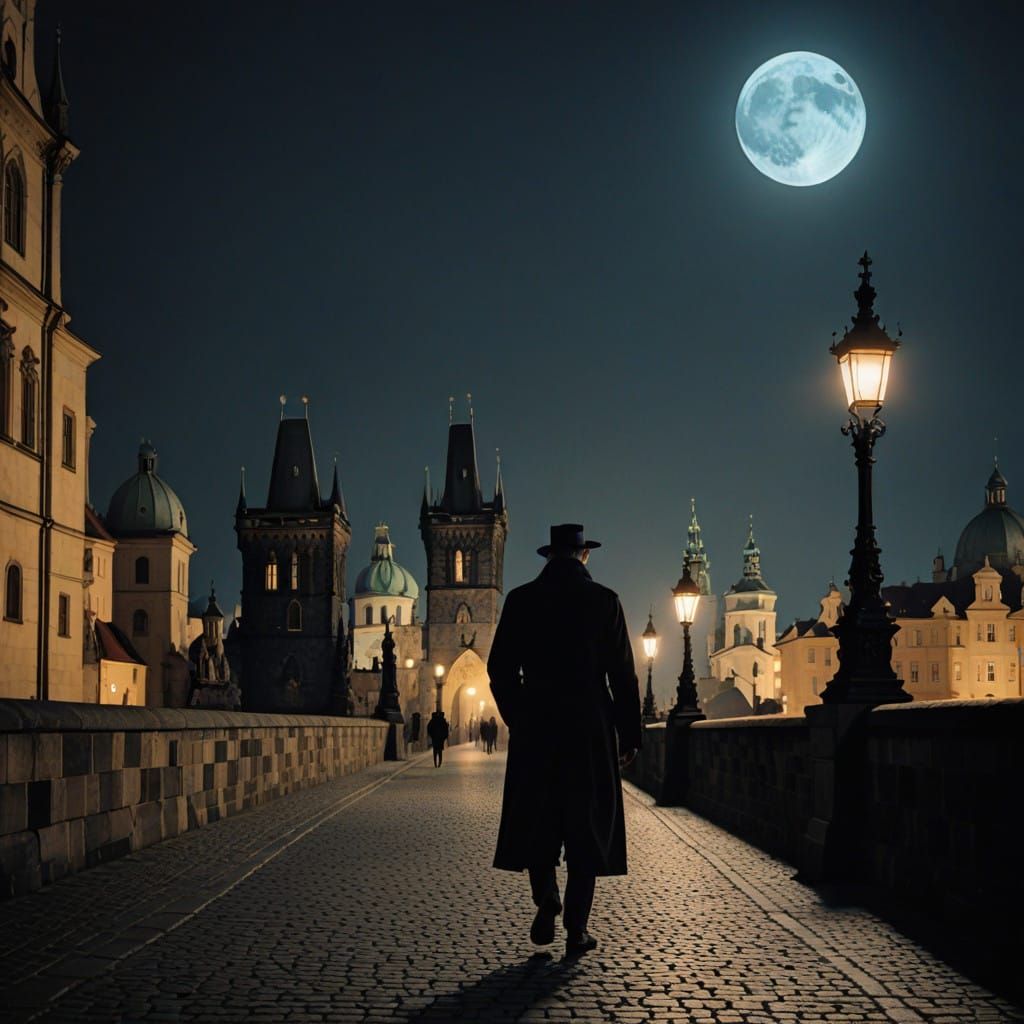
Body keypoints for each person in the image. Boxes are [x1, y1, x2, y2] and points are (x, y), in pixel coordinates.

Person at [488, 523, 640, 959]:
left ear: (548, 556)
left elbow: (499, 670)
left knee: (539, 816)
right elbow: (624, 677)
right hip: (590, 728)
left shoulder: (520, 600)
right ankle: (577, 928)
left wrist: (520, 715)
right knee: (585, 825)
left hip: (537, 724)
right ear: (583, 556)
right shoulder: (605, 601)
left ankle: (546, 897)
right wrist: (628, 734)